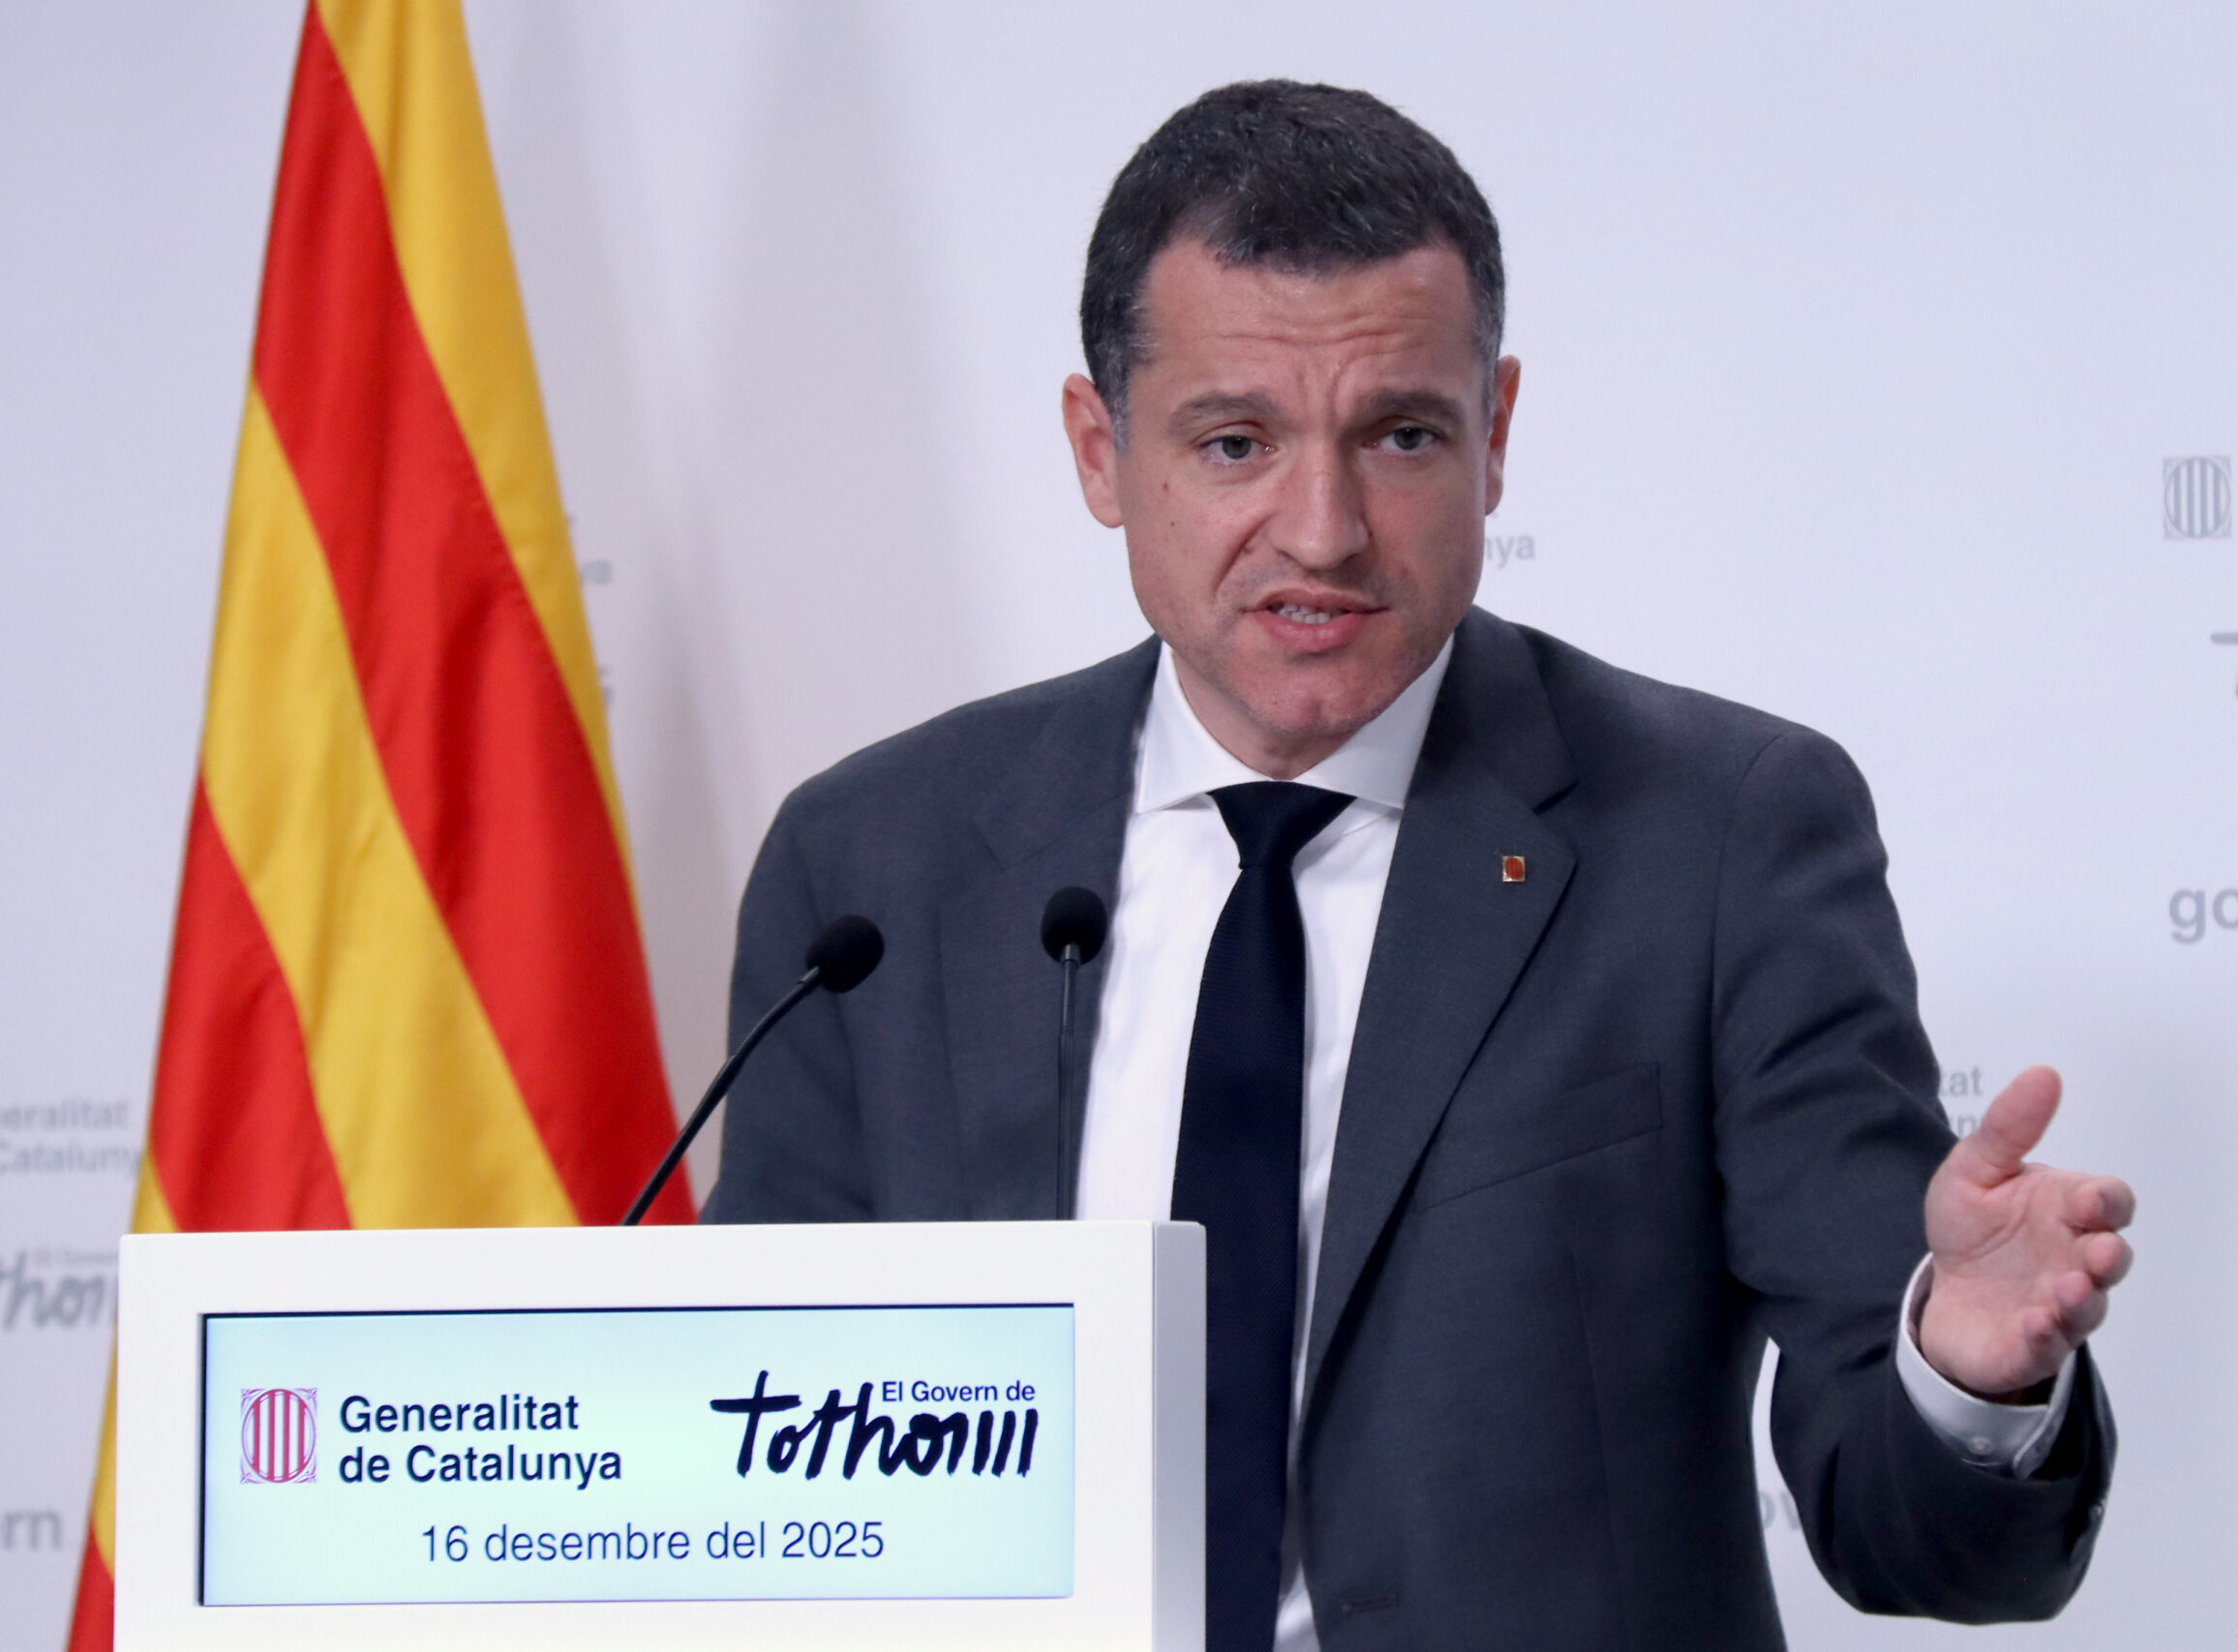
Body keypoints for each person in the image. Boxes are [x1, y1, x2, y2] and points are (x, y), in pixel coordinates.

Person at [708, 79, 2131, 1652]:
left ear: (1494, 436)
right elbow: (758, 1462)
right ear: (1100, 452)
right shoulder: (875, 867)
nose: (1323, 532)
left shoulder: (1720, 838)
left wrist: (1966, 1375)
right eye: (1235, 442)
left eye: (1399, 436)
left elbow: (1910, 1529)